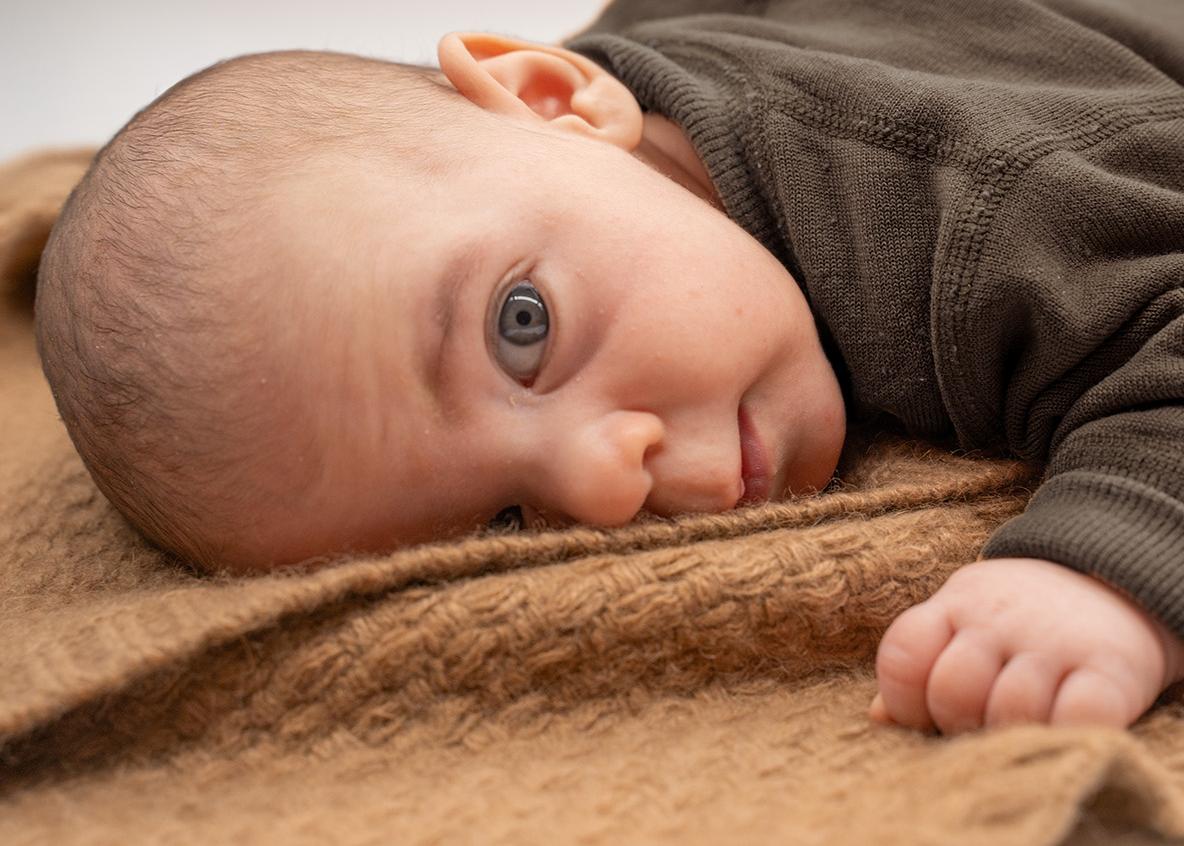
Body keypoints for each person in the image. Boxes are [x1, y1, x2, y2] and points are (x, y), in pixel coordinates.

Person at [33, 0, 1184, 736]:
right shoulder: (564, 154)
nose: (598, 487)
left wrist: (1100, 578)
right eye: (499, 524)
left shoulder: (974, 210)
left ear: (553, 96)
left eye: (522, 327)